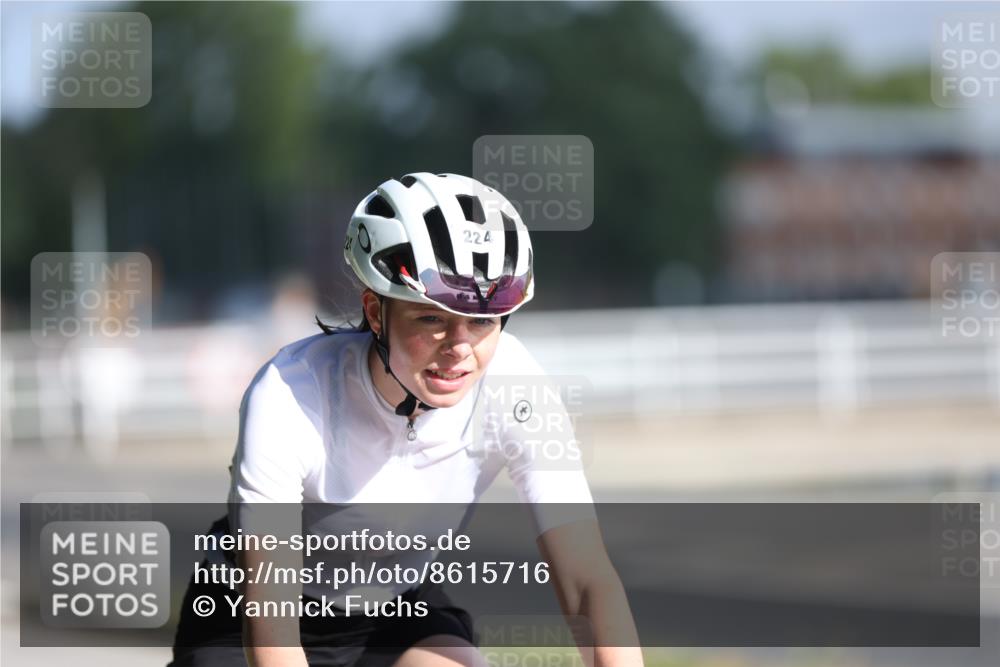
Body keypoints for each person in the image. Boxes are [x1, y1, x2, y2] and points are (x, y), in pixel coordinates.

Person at [168, 173, 643, 667]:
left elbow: (587, 580)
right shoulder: (291, 392)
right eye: (432, 319)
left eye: (483, 320)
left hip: (394, 609)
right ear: (376, 312)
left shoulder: (515, 384)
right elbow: (274, 634)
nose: (460, 348)